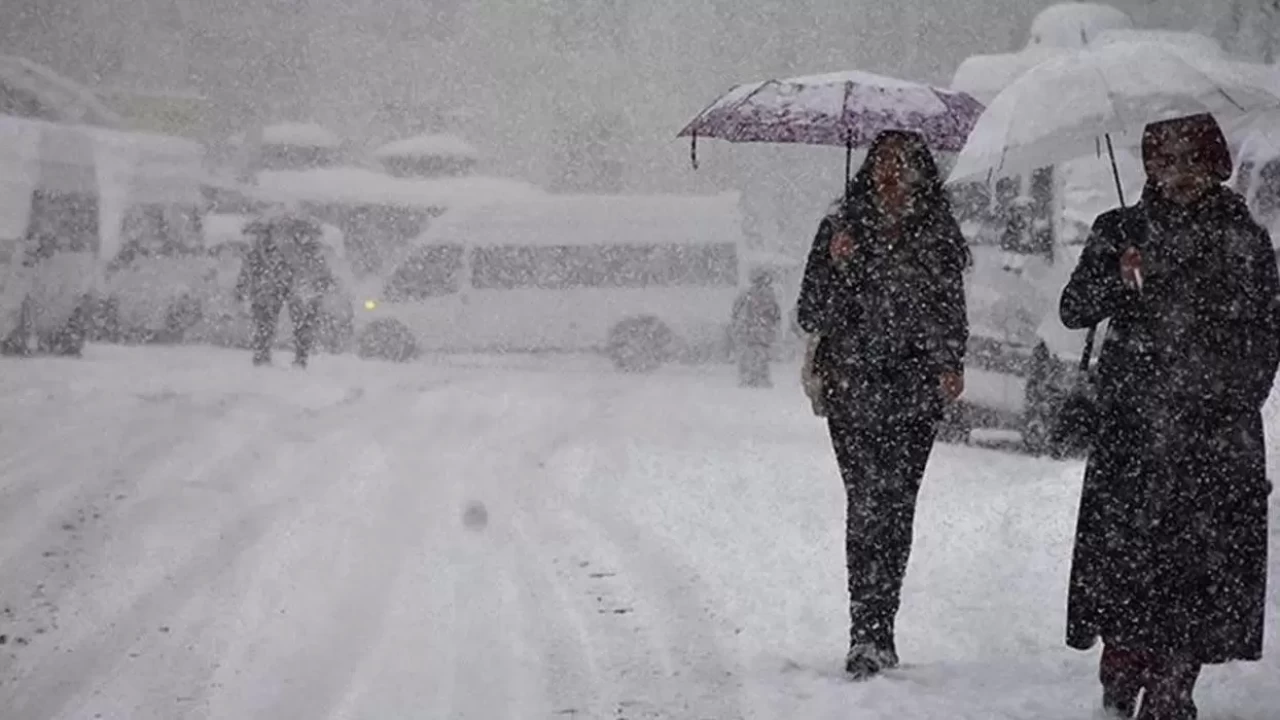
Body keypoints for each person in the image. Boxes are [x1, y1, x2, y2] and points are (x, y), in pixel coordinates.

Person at [1060, 113, 1279, 720]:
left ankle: (1173, 688)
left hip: (1213, 435)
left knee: (1195, 574)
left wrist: (1231, 403)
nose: (1176, 174)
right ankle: (1122, 672)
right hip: (1133, 433)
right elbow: (1073, 309)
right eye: (1163, 161)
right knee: (1128, 568)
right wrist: (1118, 277)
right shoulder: (1121, 229)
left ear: (1215, 165)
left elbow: (1265, 337)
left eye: (1190, 160)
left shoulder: (1244, 238)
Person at [795, 130, 970, 679]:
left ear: (922, 173)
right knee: (866, 503)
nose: (892, 174)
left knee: (897, 508)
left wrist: (948, 362)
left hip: (914, 391)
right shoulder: (840, 229)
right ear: (868, 169)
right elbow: (810, 312)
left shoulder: (937, 233)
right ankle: (864, 631)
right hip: (852, 386)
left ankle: (882, 624)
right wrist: (839, 264)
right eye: (884, 163)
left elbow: (949, 308)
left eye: (905, 163)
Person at [235, 209, 336, 368]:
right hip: (277, 288)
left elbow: (320, 271)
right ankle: (268, 355)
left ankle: (287, 356)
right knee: (269, 322)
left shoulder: (302, 250)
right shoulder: (265, 250)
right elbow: (249, 268)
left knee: (290, 322)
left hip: (283, 288)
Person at [730, 269, 781, 387]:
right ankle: (759, 378)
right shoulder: (769, 295)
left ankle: (750, 378)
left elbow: (736, 309)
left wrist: (737, 322)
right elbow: (776, 314)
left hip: (752, 331)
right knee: (760, 356)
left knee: (751, 356)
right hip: (761, 332)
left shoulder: (748, 294)